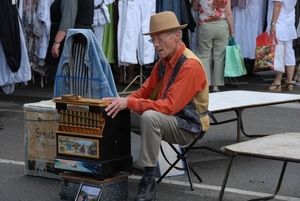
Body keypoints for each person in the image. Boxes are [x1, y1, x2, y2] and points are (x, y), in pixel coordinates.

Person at [103, 11, 210, 201]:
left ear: (177, 35)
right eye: (153, 40)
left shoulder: (189, 65)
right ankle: (111, 165)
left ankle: (148, 180)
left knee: (150, 117)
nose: (156, 45)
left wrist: (130, 102)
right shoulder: (164, 61)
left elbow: (169, 107)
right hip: (168, 118)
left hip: (188, 125)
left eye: (160, 39)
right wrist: (121, 103)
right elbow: (144, 92)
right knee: (116, 110)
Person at [44, 0, 94, 81]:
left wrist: (57, 42)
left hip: (71, 39)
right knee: (78, 77)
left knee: (65, 78)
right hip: (81, 37)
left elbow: (67, 21)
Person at [192, 0, 234, 92]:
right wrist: (232, 31)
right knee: (219, 56)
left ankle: (205, 85)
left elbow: (195, 8)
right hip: (221, 26)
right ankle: (216, 86)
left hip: (205, 26)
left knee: (204, 56)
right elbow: (229, 14)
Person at [263, 0, 297, 92]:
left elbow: (278, 4)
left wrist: (273, 24)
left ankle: (277, 82)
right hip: (289, 22)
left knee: (278, 53)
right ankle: (289, 82)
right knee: (289, 53)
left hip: (279, 23)